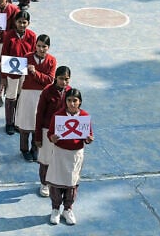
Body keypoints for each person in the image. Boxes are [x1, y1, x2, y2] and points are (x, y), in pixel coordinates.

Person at [47, 88, 94, 226]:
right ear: (65, 101)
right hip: (60, 153)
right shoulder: (57, 116)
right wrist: (53, 138)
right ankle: (55, 209)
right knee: (56, 181)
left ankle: (68, 209)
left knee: (71, 183)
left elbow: (87, 136)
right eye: (69, 100)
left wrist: (89, 139)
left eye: (75, 100)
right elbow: (50, 133)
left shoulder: (85, 116)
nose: (72, 103)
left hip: (75, 155)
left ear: (80, 102)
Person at [15, 34, 55, 158]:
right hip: (27, 94)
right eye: (38, 46)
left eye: (44, 46)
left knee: (37, 122)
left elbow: (49, 80)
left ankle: (35, 148)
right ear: (35, 45)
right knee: (25, 122)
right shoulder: (27, 57)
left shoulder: (51, 60)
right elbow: (17, 71)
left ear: (48, 47)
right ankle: (24, 150)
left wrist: (35, 72)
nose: (41, 49)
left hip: (41, 95)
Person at [35, 65, 71, 197]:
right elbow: (39, 114)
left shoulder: (70, 92)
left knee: (59, 159)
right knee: (45, 160)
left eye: (67, 79)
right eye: (61, 79)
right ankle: (44, 183)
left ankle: (55, 183)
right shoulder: (47, 91)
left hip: (63, 131)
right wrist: (38, 136)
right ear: (55, 77)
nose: (64, 82)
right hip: (46, 130)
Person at [0, 10, 37, 135]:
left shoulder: (32, 36)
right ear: (15, 22)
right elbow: (4, 54)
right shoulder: (9, 35)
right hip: (11, 73)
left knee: (21, 98)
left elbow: (33, 54)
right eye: (19, 22)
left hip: (24, 73)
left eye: (24, 22)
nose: (22, 25)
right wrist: (3, 76)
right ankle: (9, 123)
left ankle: (17, 122)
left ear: (28, 23)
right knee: (11, 98)